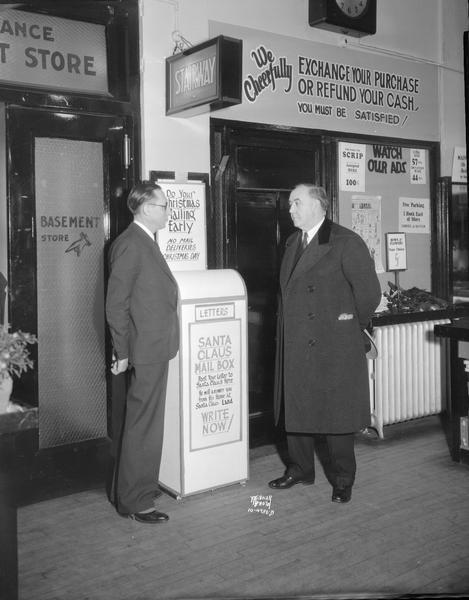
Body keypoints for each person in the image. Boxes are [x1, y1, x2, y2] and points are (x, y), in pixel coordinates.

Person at [269, 184, 381, 503]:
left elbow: (369, 294)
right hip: (295, 342)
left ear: (319, 205)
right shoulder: (292, 242)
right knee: (297, 407)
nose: (291, 209)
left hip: (333, 343)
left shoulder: (346, 241)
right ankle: (300, 468)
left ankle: (343, 479)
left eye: (297, 203)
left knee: (337, 416)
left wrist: (349, 324)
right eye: (290, 203)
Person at [105, 181, 179, 523]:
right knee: (143, 426)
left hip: (154, 346)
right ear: (147, 208)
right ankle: (136, 500)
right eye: (163, 205)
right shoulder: (131, 244)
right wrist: (121, 351)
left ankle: (138, 490)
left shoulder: (144, 242)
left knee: (146, 424)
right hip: (144, 349)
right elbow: (115, 304)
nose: (167, 211)